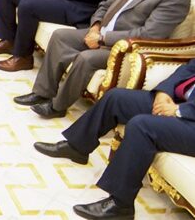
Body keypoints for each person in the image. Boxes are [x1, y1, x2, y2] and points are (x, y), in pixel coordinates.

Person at [16, 0, 191, 118]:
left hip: (124, 48)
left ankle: (57, 107)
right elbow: (106, 4)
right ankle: (42, 92)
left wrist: (102, 39)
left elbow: (149, 34)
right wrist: (96, 26)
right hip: (101, 32)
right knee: (61, 36)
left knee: (86, 58)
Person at [33, 59, 195, 219]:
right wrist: (164, 92)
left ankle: (121, 205)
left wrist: (179, 110)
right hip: (181, 102)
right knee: (115, 97)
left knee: (141, 126)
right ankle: (77, 147)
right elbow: (189, 67)